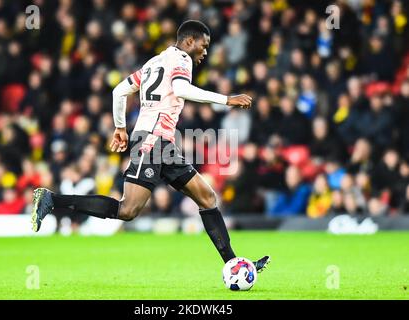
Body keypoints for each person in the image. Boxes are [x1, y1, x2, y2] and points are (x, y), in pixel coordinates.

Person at [31, 20, 270, 271]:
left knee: (208, 197)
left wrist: (121, 127)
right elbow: (180, 87)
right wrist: (226, 99)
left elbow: (119, 91)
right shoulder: (181, 59)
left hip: (161, 142)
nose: (205, 52)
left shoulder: (153, 63)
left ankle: (233, 265)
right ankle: (52, 199)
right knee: (128, 209)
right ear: (189, 41)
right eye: (204, 45)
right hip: (152, 140)